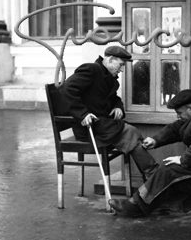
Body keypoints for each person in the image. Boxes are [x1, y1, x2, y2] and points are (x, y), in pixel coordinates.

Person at [108, 89, 191, 216]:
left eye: (179, 113)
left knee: (169, 170)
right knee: (167, 172)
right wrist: (155, 140)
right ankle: (143, 203)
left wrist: (183, 160)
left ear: (189, 108)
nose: (178, 116)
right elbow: (175, 129)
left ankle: (136, 206)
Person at [62, 46, 158, 178]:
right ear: (111, 59)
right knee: (130, 132)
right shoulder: (91, 69)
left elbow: (114, 98)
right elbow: (68, 88)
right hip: (88, 126)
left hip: (101, 124)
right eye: (121, 65)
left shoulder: (108, 77)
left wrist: (118, 107)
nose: (122, 69)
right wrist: (82, 114)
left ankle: (152, 176)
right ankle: (153, 176)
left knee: (131, 134)